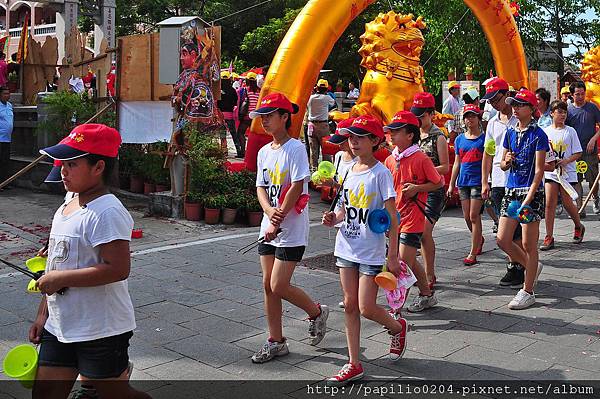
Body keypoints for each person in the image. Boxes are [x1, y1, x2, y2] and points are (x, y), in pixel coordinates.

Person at [29, 124, 150, 399]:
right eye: (63, 162)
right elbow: (56, 266)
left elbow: (118, 269)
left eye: (72, 163)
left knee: (115, 394)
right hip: (60, 323)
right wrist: (42, 315)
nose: (63, 170)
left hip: (100, 328)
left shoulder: (107, 211)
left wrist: (60, 279)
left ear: (98, 168)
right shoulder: (69, 200)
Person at [322, 115, 405, 386]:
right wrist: (333, 218)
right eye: (351, 136)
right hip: (346, 246)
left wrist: (392, 254)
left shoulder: (381, 173)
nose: (353, 141)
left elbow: (393, 217)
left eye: (360, 137)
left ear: (374, 141)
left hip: (370, 251)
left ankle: (396, 326)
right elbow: (343, 208)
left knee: (366, 307)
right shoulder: (347, 170)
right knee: (349, 305)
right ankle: (354, 363)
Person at [250, 92, 329, 364]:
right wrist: (269, 213)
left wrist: (278, 218)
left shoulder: (295, 148)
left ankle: (316, 311)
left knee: (278, 284)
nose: (265, 121)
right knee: (267, 285)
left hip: (291, 229)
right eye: (262, 117)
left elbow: (297, 186)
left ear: (285, 117)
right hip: (269, 225)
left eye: (270, 116)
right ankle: (276, 340)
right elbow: (260, 187)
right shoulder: (263, 152)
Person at [383, 111, 443, 313]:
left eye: (396, 131)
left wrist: (417, 189)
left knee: (400, 264)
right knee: (408, 260)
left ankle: (395, 310)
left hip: (414, 218)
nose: (391, 135)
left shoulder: (421, 158)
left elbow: (438, 182)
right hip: (395, 218)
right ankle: (426, 294)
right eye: (390, 131)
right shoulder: (390, 160)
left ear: (410, 135)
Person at [497, 89, 548, 310]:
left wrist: (530, 196)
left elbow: (539, 171)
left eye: (520, 105)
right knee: (502, 239)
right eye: (514, 105)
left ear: (531, 109)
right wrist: (506, 161)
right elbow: (503, 164)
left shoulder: (539, 135)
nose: (515, 109)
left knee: (528, 243)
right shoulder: (509, 132)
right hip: (511, 190)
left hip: (531, 193)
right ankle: (531, 267)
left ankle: (528, 291)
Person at [480, 77, 525, 288]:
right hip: (498, 180)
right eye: (489, 101)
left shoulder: (521, 119)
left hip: (518, 181)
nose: (493, 104)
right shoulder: (492, 123)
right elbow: (488, 153)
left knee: (515, 230)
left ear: (506, 95)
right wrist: (484, 181)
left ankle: (520, 266)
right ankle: (516, 265)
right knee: (502, 226)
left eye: (495, 99)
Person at [410, 92, 449, 290]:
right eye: (416, 115)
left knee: (425, 232)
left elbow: (445, 167)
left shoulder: (438, 136)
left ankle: (429, 273)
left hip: (434, 190)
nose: (418, 119)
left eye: (422, 116)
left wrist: (425, 170)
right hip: (416, 191)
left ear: (431, 114)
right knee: (417, 233)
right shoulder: (413, 135)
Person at [541, 100, 585, 250]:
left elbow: (578, 152)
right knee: (549, 203)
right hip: (551, 172)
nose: (562, 115)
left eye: (564, 112)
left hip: (567, 173)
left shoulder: (570, 131)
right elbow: (543, 153)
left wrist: (566, 160)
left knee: (567, 203)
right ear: (552, 113)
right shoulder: (546, 131)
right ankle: (549, 236)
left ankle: (578, 226)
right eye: (559, 112)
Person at [447, 104, 485, 266]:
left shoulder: (484, 139)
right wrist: (451, 184)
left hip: (478, 181)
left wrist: (486, 182)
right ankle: (479, 239)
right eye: (467, 116)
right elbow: (456, 163)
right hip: (463, 182)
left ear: (478, 119)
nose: (470, 119)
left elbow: (487, 162)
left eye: (473, 116)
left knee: (474, 216)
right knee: (466, 217)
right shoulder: (459, 139)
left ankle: (472, 252)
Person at [566, 81, 600, 217]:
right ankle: (580, 207)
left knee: (592, 179)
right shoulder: (568, 110)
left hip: (589, 150)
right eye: (577, 94)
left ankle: (595, 199)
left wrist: (594, 139)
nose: (580, 97)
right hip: (575, 151)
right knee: (577, 179)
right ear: (572, 95)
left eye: (582, 94)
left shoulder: (592, 108)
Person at [307, 79, 335, 170]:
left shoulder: (311, 98)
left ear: (317, 87)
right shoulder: (327, 98)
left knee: (313, 150)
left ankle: (313, 169)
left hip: (311, 125)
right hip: (323, 125)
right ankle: (326, 170)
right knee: (326, 149)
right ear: (326, 89)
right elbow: (333, 103)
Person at [218, 71, 243, 157]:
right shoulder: (232, 90)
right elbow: (235, 102)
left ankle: (224, 152)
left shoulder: (218, 91)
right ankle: (239, 151)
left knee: (222, 135)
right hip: (230, 115)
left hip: (220, 115)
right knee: (234, 134)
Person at [236, 72, 260, 151]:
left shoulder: (244, 90)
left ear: (247, 80)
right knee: (254, 135)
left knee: (240, 133)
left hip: (246, 116)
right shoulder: (260, 91)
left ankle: (243, 150)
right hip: (256, 116)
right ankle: (253, 151)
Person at [0, 86, 13, 185]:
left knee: (5, 161)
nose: (7, 96)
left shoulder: (9, 105)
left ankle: (4, 183)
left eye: (8, 93)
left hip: (7, 138)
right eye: (5, 93)